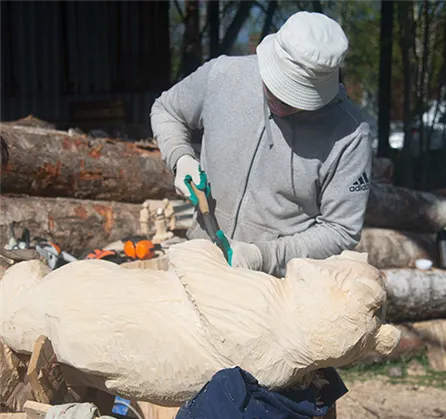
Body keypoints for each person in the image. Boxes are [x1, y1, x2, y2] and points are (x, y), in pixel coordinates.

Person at [150, 11, 373, 277]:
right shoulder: (223, 75)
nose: (280, 103)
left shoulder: (349, 135)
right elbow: (167, 110)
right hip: (200, 256)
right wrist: (180, 157)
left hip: (277, 286)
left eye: (295, 99)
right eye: (276, 89)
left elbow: (341, 230)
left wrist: (263, 255)